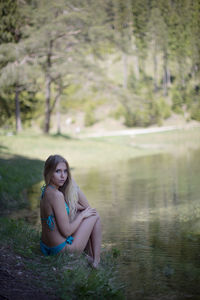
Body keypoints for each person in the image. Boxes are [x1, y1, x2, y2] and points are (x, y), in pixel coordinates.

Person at [40, 154, 102, 268]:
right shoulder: (57, 195)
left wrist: (72, 184)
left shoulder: (47, 190)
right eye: (58, 171)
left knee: (87, 213)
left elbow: (82, 206)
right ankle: (96, 261)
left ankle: (91, 257)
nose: (63, 176)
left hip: (46, 247)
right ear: (49, 172)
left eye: (65, 171)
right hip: (61, 250)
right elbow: (67, 232)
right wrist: (82, 215)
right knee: (95, 215)